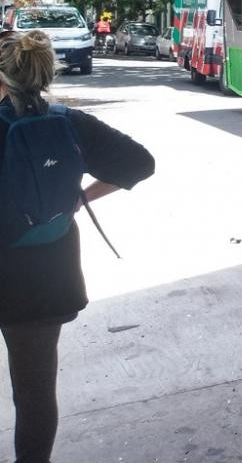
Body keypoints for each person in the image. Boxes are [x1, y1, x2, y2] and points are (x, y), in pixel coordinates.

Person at [0, 30, 154, 463]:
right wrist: (76, 202)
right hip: (47, 278)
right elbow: (141, 162)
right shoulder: (69, 122)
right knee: (34, 394)